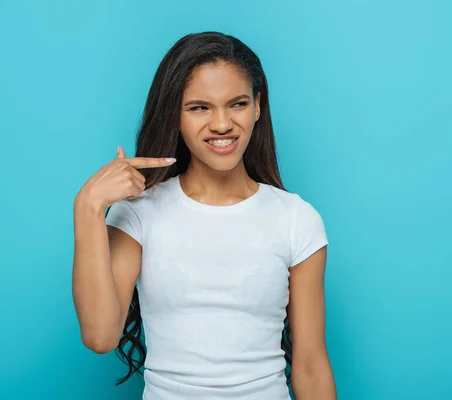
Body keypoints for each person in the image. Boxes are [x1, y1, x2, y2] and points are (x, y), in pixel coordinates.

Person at [71, 32, 337, 399]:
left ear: (258, 106)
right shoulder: (137, 214)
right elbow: (100, 336)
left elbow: (310, 364)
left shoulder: (296, 219)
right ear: (175, 115)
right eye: (200, 107)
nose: (223, 124)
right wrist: (87, 207)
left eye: (238, 104)